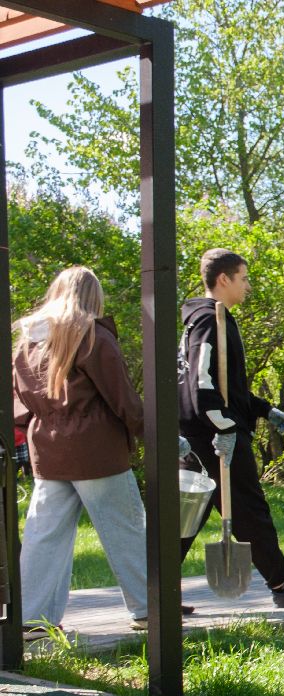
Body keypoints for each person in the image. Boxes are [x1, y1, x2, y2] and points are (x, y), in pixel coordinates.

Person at [12, 266, 161, 635]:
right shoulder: (92, 334)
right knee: (126, 529)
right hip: (97, 451)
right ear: (93, 297)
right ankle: (148, 609)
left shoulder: (29, 339)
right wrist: (153, 434)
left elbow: (19, 405)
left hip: (49, 450)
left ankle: (33, 618)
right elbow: (122, 396)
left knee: (44, 536)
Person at [178, 249, 284, 608]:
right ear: (224, 279)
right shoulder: (208, 320)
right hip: (216, 437)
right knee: (250, 510)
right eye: (243, 278)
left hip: (197, 436)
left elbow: (226, 386)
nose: (248, 286)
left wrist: (263, 409)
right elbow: (200, 384)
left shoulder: (206, 319)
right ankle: (283, 585)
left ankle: (154, 593)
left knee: (185, 518)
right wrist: (224, 427)